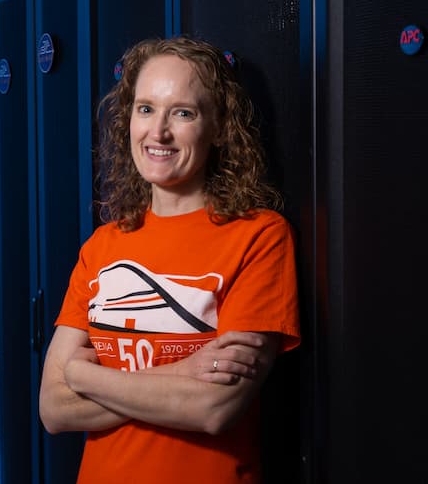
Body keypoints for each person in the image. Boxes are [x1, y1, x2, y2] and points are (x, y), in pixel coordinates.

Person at [38, 36, 300, 483]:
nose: (157, 132)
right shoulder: (103, 245)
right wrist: (183, 373)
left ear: (218, 127)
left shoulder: (259, 236)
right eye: (145, 109)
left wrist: (85, 376)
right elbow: (54, 408)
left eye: (183, 112)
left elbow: (214, 407)